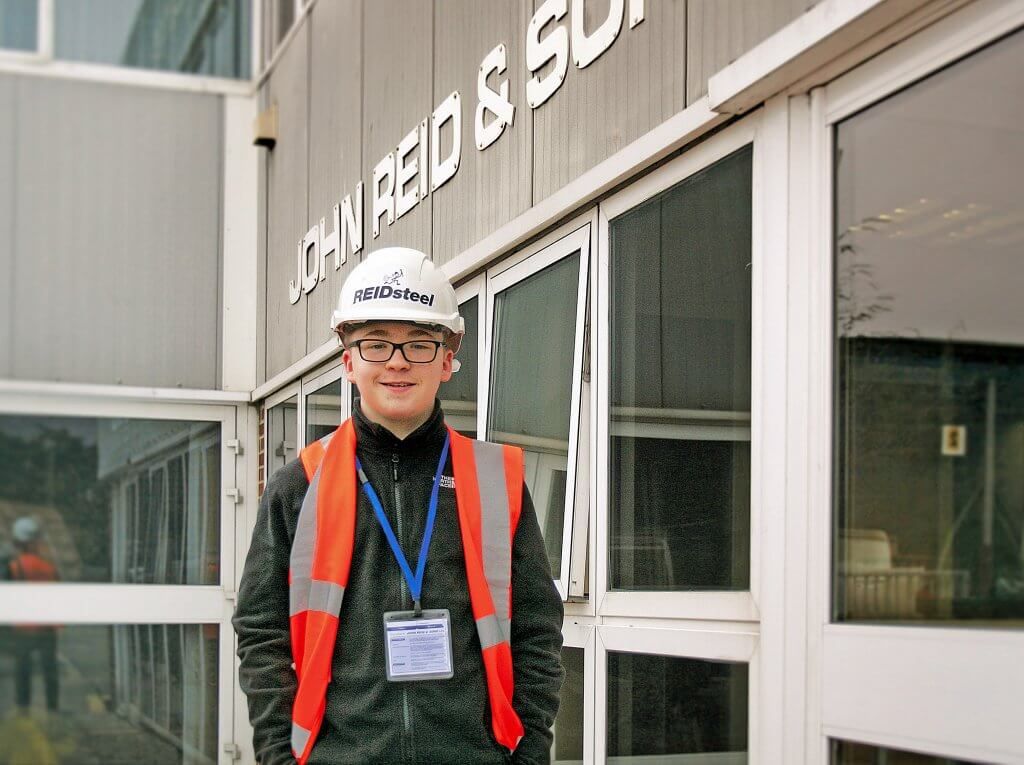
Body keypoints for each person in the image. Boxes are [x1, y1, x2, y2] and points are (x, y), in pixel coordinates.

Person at [234, 247, 564, 765]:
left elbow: (537, 631)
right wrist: (279, 755)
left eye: (420, 345)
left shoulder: (498, 481)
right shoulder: (297, 486)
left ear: (448, 360)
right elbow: (261, 634)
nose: (397, 362)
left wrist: (527, 755)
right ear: (347, 361)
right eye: (375, 344)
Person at [7, 516, 60, 713]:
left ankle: (23, 708)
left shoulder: (13, 567)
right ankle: (52, 708)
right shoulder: (49, 568)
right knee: (50, 670)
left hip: (23, 627)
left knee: (22, 670)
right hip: (46, 627)